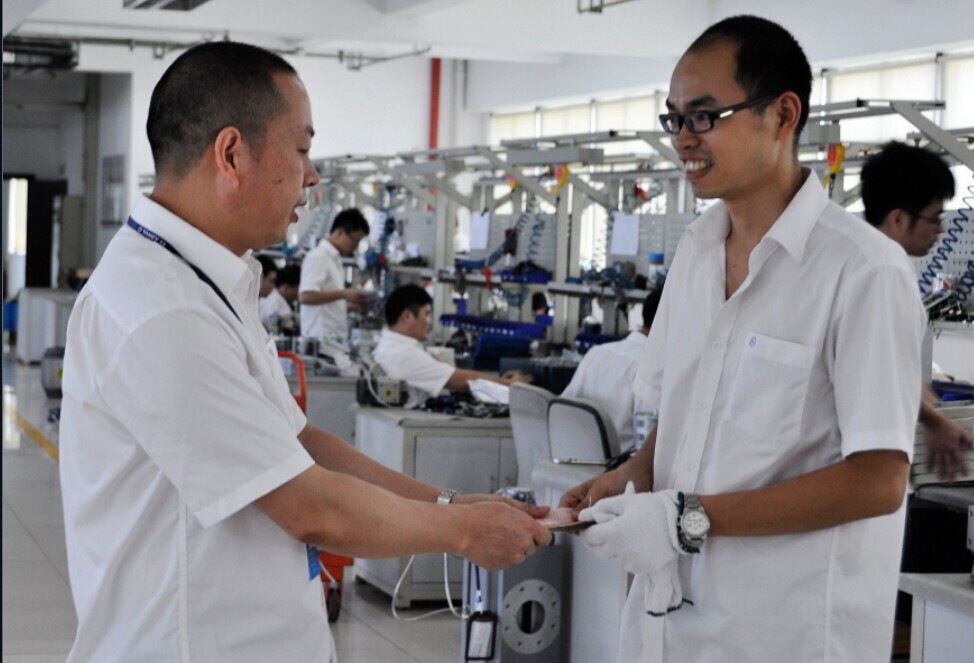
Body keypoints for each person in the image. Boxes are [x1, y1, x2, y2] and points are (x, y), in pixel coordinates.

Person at [58, 42, 551, 663]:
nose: (312, 176)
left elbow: (301, 445)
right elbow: (309, 506)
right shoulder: (163, 310)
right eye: (301, 150)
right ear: (232, 154)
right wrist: (464, 531)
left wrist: (451, 502)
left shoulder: (208, 283)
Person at [561, 16, 926, 662]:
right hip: (668, 626)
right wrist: (633, 474)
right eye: (674, 118)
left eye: (704, 117)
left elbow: (878, 481)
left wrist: (683, 518)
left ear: (782, 115)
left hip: (781, 635)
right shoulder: (696, 255)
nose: (683, 139)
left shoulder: (863, 271)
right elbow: (686, 411)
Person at [861, 141, 972, 479]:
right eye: (934, 219)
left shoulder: (859, 259)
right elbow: (877, 372)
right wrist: (935, 421)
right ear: (898, 219)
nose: (941, 229)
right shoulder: (886, 271)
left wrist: (918, 394)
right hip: (866, 458)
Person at [373, 284, 533, 408]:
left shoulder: (391, 346)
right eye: (426, 314)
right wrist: (505, 384)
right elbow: (459, 379)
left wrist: (498, 381)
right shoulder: (403, 353)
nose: (429, 322)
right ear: (407, 316)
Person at [560, 289, 663, 450]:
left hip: (570, 459)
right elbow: (650, 446)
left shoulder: (597, 353)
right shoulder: (654, 369)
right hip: (619, 464)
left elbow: (560, 411)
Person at [299, 208, 371, 340]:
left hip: (332, 339)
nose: (355, 247)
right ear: (340, 233)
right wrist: (344, 294)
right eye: (354, 241)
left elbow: (328, 305)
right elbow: (305, 296)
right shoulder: (318, 256)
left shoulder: (334, 259)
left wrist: (352, 307)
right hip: (319, 339)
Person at [260, 263, 301, 333]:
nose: (298, 294)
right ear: (286, 288)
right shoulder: (278, 300)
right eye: (297, 289)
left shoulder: (269, 296)